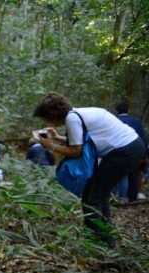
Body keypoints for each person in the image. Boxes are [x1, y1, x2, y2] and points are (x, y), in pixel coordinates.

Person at [33, 92, 146, 246]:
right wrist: (58, 137)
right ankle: (107, 238)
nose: (46, 121)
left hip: (124, 151)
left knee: (91, 197)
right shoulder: (77, 114)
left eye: (45, 118)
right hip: (132, 147)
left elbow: (76, 151)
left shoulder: (72, 119)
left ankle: (98, 242)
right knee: (100, 193)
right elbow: (82, 142)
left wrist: (51, 146)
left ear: (52, 114)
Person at [115, 102, 148, 200]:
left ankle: (121, 197)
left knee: (122, 175)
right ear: (128, 110)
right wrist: (145, 153)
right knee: (134, 174)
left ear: (117, 111)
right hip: (135, 151)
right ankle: (133, 198)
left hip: (119, 151)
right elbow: (142, 137)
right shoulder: (136, 121)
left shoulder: (115, 121)